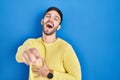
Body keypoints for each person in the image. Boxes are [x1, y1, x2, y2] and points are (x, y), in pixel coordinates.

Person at [16, 7, 82, 80]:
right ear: (42, 21)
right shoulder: (32, 42)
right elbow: (19, 55)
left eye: (56, 18)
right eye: (48, 16)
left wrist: (49, 74)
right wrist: (25, 52)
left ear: (58, 27)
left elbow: (77, 78)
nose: (50, 19)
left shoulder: (65, 48)